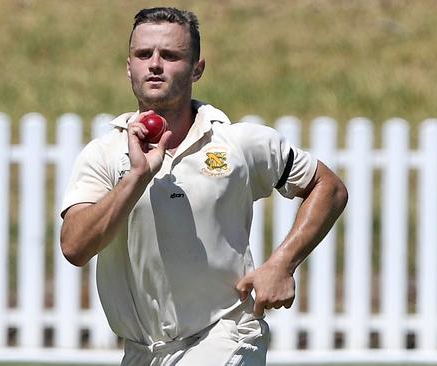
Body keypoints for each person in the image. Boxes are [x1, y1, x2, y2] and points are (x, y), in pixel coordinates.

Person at [60, 7, 347, 366]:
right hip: (143, 351)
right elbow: (75, 247)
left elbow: (328, 187)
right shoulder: (103, 155)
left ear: (197, 68)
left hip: (226, 336)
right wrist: (136, 178)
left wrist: (282, 263)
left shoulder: (238, 143)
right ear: (128, 66)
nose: (154, 64)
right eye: (143, 54)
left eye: (171, 55)